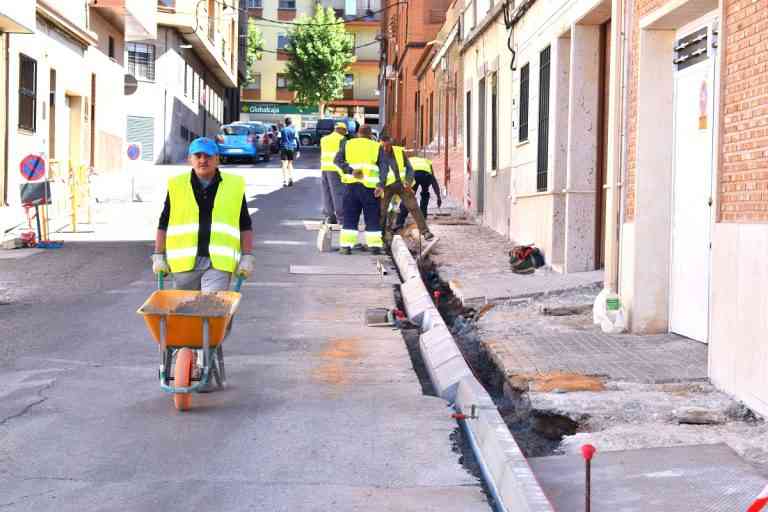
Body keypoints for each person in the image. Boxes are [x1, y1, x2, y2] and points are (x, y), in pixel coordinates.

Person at [152, 137, 255, 292]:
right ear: (189, 159)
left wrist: (247, 256)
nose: (203, 160)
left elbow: (245, 224)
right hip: (184, 264)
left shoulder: (234, 185)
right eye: (198, 156)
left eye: (208, 156)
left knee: (212, 308)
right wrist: (158, 256)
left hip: (218, 263)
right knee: (184, 311)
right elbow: (164, 223)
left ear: (217, 159)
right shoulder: (177, 185)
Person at [334, 124, 383, 255]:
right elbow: (384, 167)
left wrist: (350, 170)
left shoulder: (348, 144)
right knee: (372, 217)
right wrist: (381, 185)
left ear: (358, 134)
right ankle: (375, 247)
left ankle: (345, 247)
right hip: (371, 189)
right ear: (370, 135)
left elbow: (337, 160)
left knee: (350, 216)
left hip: (351, 186)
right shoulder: (377, 146)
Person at [377, 135, 434, 245]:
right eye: (383, 146)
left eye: (387, 146)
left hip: (402, 185)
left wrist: (408, 181)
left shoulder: (399, 152)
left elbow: (409, 168)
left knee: (413, 206)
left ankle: (425, 232)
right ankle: (381, 236)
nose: (385, 149)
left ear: (391, 143)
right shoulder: (378, 153)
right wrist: (379, 185)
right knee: (382, 211)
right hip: (386, 186)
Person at [394, 153, 442, 231]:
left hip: (413, 174)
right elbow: (433, 180)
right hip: (426, 175)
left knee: (408, 198)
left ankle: (399, 223)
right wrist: (438, 197)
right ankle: (423, 218)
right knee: (425, 194)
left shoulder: (408, 160)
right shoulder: (427, 162)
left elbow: (402, 176)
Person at [319, 122, 348, 224]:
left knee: (327, 193)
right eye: (345, 131)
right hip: (336, 169)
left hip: (324, 168)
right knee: (338, 194)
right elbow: (344, 155)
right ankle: (341, 218)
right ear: (342, 130)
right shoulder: (342, 140)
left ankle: (330, 217)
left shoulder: (324, 139)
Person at [279, 117, 300, 187]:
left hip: (284, 147)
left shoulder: (282, 130)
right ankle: (291, 179)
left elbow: (279, 139)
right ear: (291, 123)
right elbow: (297, 140)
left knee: (284, 164)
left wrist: (278, 148)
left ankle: (285, 180)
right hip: (291, 148)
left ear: (285, 123)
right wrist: (298, 150)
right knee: (290, 164)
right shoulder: (293, 130)